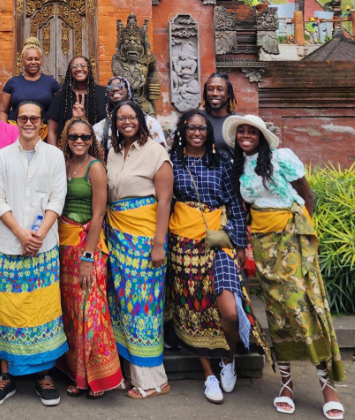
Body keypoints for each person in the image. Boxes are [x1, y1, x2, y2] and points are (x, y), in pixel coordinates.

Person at [224, 114, 345, 420]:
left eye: (252, 132)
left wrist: (306, 232)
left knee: (304, 305)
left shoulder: (282, 158)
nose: (246, 136)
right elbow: (247, 209)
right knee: (278, 311)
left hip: (291, 235)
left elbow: (306, 195)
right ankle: (286, 384)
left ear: (263, 136)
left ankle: (327, 385)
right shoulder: (240, 167)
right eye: (242, 132)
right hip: (264, 244)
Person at [165, 109, 268, 405]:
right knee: (193, 308)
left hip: (217, 239)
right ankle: (208, 373)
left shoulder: (220, 162)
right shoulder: (173, 162)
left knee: (229, 310)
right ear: (183, 130)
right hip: (183, 241)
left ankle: (228, 359)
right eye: (191, 128)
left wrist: (239, 244)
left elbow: (234, 204)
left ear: (208, 132)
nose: (196, 132)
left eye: (202, 128)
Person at [0, 100, 68, 407]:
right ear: (15, 121)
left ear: (42, 122)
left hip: (43, 247)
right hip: (9, 245)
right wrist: (21, 233)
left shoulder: (55, 156)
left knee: (42, 310)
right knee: (6, 310)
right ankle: (5, 376)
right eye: (23, 118)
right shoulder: (2, 157)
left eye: (34, 118)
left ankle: (43, 374)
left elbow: (57, 197)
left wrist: (40, 234)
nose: (29, 123)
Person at [106, 99, 173, 399]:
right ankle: (133, 374)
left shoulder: (156, 152)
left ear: (141, 121)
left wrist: (159, 244)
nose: (126, 122)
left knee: (143, 306)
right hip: (117, 237)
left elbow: (165, 202)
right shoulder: (112, 151)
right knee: (121, 304)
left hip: (146, 240)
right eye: (121, 118)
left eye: (131, 117)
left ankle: (154, 380)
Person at [57, 117, 123, 398]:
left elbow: (98, 215)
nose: (80, 141)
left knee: (90, 309)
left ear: (91, 140)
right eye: (74, 137)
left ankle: (98, 376)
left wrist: (87, 256)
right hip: (63, 244)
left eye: (85, 137)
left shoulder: (95, 168)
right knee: (71, 312)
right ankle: (75, 373)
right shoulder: (64, 164)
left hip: (88, 246)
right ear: (66, 139)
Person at [92, 76, 166, 160]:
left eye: (120, 86)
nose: (115, 89)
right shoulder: (101, 127)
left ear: (129, 92)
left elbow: (162, 155)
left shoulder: (149, 123)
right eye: (111, 87)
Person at [46, 55, 107, 147]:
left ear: (89, 69)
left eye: (83, 66)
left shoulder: (103, 93)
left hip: (98, 150)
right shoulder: (62, 96)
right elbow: (52, 130)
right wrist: (54, 155)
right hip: (68, 151)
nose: (79, 69)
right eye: (74, 67)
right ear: (70, 72)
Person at [0, 37, 61, 123]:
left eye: (37, 59)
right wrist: (5, 131)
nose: (33, 62)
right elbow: (3, 110)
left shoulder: (51, 82)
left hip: (43, 131)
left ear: (41, 60)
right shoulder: (13, 82)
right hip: (15, 130)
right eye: (29, 59)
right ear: (22, 61)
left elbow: (62, 107)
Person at [201, 73, 237, 155]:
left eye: (220, 89)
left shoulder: (237, 121)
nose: (214, 93)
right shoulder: (197, 119)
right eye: (210, 89)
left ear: (228, 94)